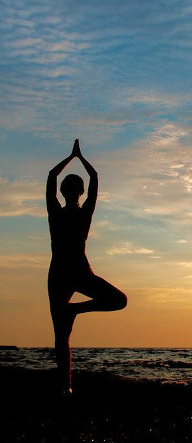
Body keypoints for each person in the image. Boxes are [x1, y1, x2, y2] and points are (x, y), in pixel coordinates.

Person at [47, 140, 127, 396]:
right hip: (72, 272)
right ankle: (65, 386)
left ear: (64, 191)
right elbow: (94, 176)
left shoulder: (57, 212)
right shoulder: (82, 213)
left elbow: (51, 175)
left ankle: (65, 385)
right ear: (80, 192)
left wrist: (71, 157)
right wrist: (79, 157)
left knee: (62, 334)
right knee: (118, 300)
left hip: (65, 271)